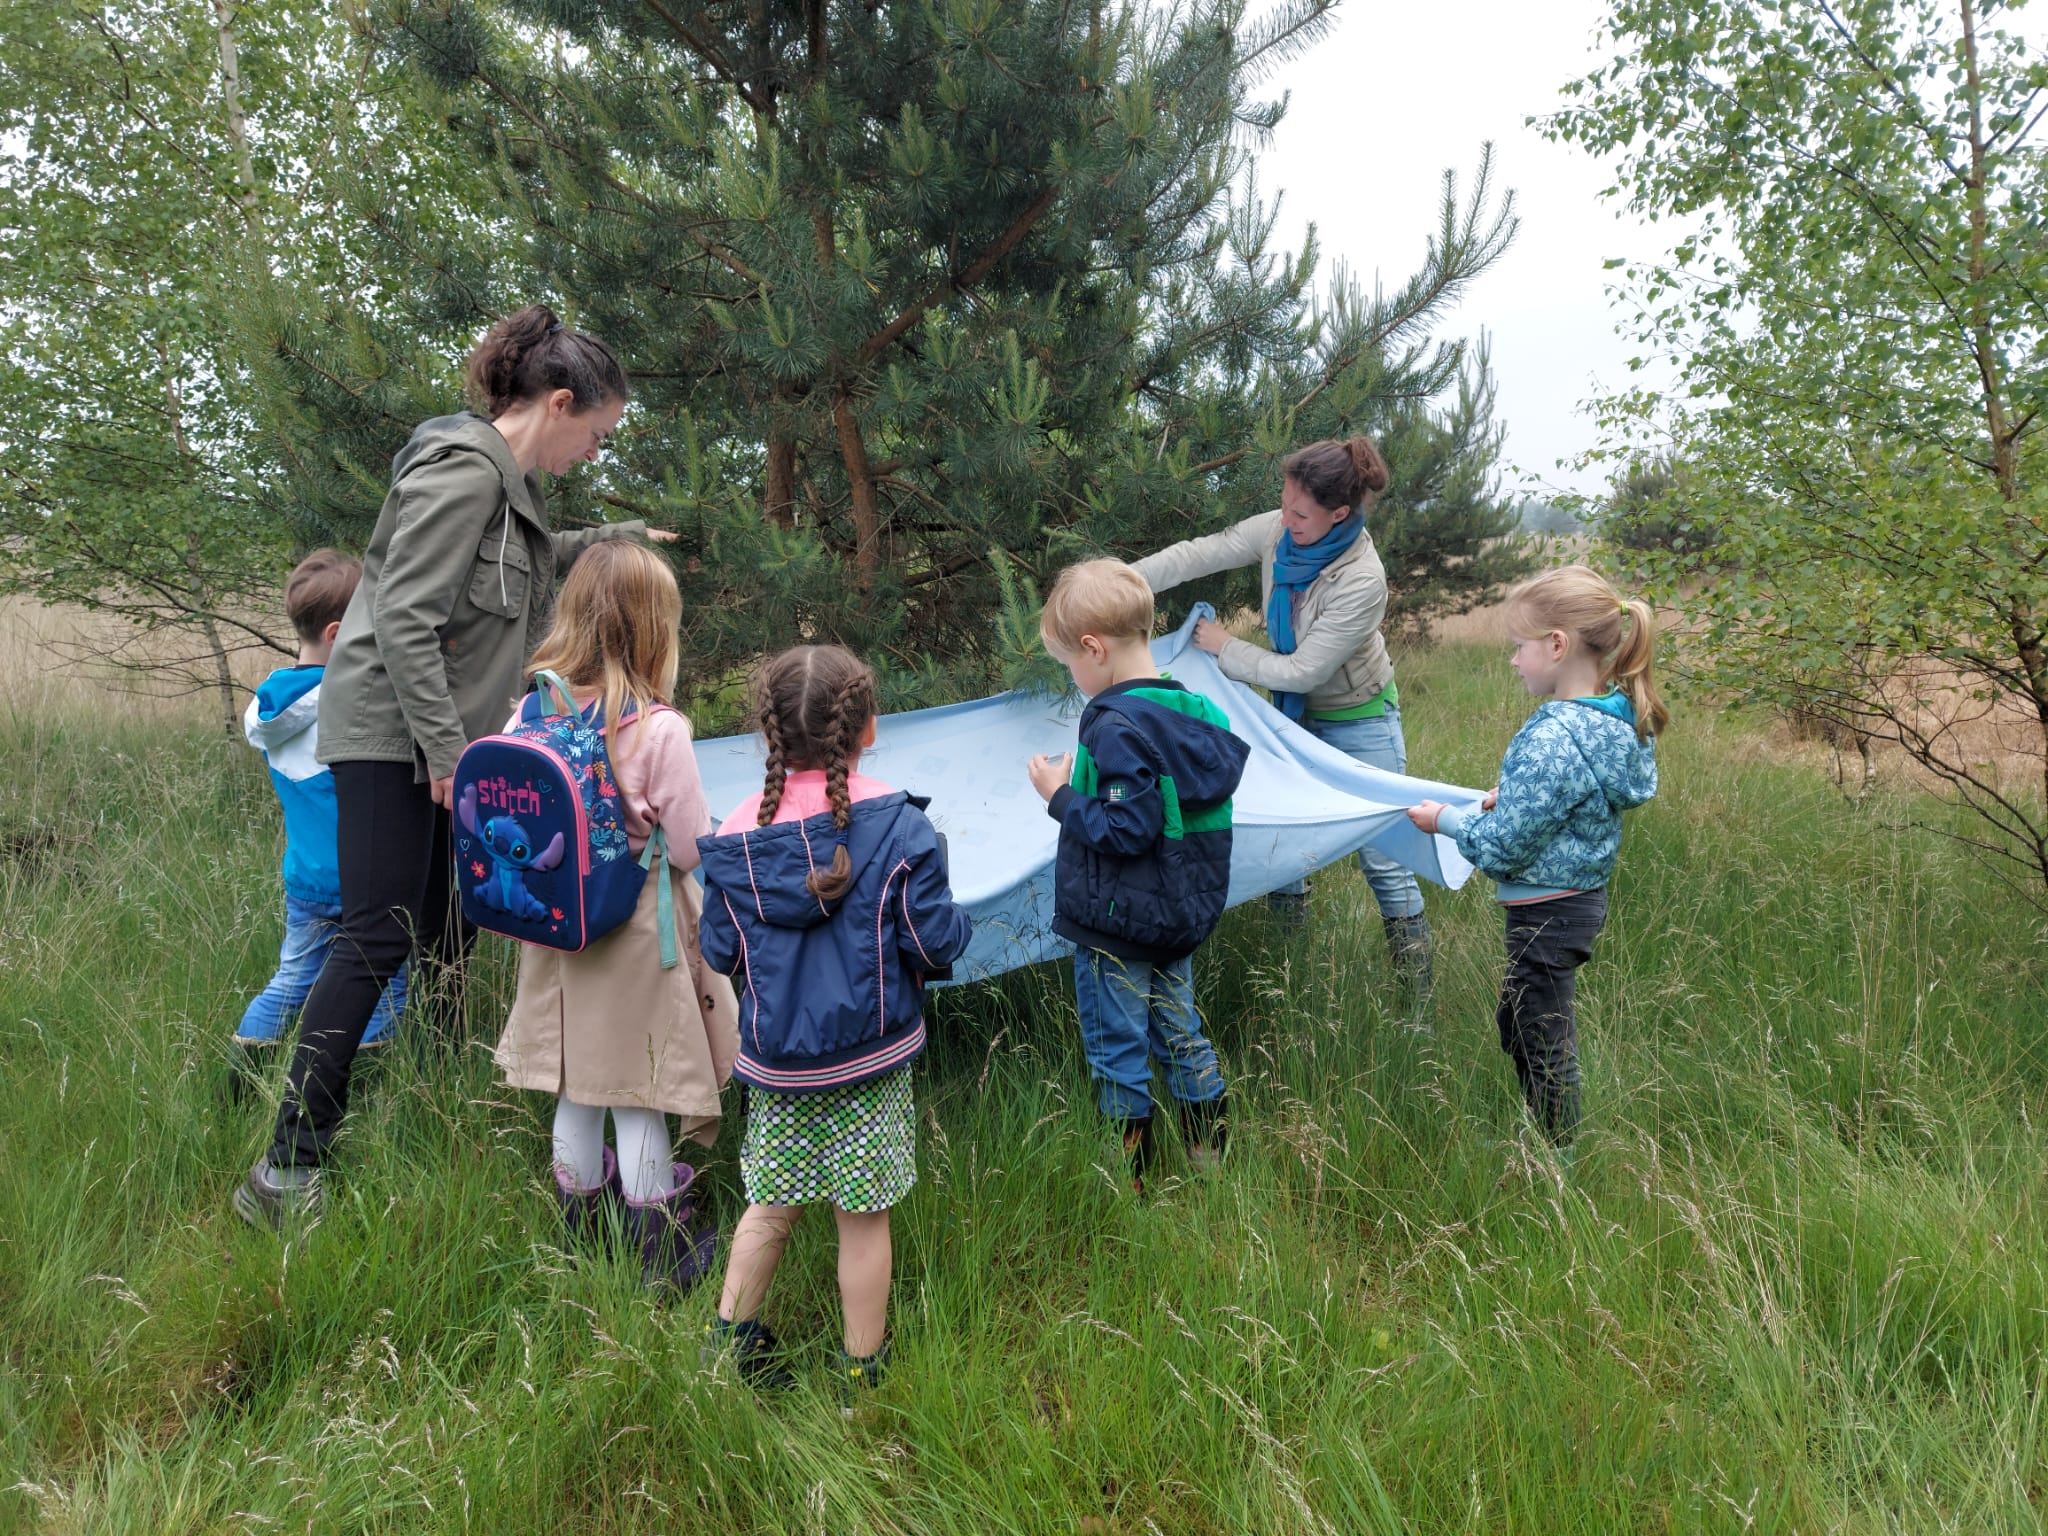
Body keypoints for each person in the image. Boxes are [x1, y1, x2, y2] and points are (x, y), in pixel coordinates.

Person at [232, 303, 676, 1231]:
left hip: (446, 745)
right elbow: (401, 616)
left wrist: (619, 537)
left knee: (450, 930)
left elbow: (520, 565)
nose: (593, 451)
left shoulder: (509, 488)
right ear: (559, 403)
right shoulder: (463, 472)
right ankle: (286, 1168)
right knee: (377, 934)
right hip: (394, 736)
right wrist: (444, 751)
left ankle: (436, 1111)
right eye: (596, 434)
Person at [695, 646, 972, 1399]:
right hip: (870, 1063)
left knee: (770, 1205)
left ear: (768, 732)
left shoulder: (734, 837)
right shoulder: (900, 827)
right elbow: (933, 943)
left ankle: (726, 1350)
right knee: (864, 1218)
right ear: (867, 728)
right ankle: (861, 1376)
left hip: (777, 1066)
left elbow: (720, 951)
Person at [488, 541, 737, 1289]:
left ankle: (582, 1232)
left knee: (578, 1089)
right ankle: (659, 1252)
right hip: (634, 934)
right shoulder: (658, 729)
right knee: (637, 1097)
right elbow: (688, 848)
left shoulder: (529, 711)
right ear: (654, 628)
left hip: (557, 931)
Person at [1129, 436, 1434, 1014]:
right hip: (1290, 718)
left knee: (1385, 857)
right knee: (1283, 845)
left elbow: (1302, 672)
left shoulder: (1362, 579)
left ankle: (1416, 1010)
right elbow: (1201, 552)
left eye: (1300, 514)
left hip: (1358, 717)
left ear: (1338, 513)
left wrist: (1224, 648)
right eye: (1284, 504)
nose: (1286, 520)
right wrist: (1122, 581)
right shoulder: (1279, 530)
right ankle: (1286, 985)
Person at [1407, 565, 1665, 1147]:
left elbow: (1502, 849)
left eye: (1519, 646)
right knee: (1523, 1021)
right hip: (1574, 905)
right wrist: (1517, 798)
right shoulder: (1611, 721)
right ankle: (1544, 1134)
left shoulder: (1550, 737)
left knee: (1544, 1038)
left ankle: (1557, 1156)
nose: (1513, 660)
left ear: (1557, 645)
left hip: (1546, 915)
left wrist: (1444, 820)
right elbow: (1572, 797)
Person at [1026, 559, 1249, 1193]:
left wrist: (1060, 795)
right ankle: (1212, 1172)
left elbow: (1126, 828)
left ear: (1094, 648)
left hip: (1117, 924)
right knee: (1182, 1036)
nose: (1074, 677)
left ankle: (1133, 1190)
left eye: (1070, 663)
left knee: (1117, 1051)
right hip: (1179, 913)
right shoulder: (1195, 711)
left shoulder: (1114, 724)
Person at [231, 551, 408, 1095]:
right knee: (386, 986)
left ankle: (238, 1088)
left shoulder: (267, 704)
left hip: (306, 877)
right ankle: (365, 1097)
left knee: (291, 982)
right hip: (364, 876)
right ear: (337, 634)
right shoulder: (351, 701)